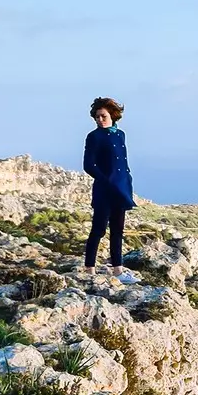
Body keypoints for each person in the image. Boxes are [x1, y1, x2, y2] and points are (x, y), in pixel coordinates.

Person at [83, 96, 135, 270]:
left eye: (103, 116)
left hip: (120, 189)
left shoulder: (121, 135)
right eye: (97, 116)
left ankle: (117, 269)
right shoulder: (94, 137)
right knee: (98, 229)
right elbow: (88, 165)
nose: (100, 120)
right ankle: (89, 268)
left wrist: (126, 182)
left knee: (118, 231)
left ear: (112, 115)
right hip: (104, 190)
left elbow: (122, 162)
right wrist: (105, 180)